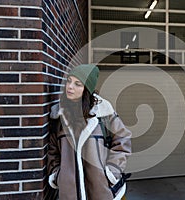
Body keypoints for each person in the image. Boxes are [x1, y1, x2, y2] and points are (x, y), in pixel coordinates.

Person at [47, 64, 132, 200]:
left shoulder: (104, 114)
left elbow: (123, 139)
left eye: (77, 84)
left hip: (101, 189)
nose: (70, 87)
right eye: (69, 81)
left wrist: (112, 172)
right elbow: (53, 150)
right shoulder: (59, 116)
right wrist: (57, 174)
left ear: (87, 89)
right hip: (70, 192)